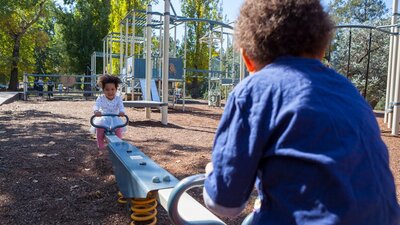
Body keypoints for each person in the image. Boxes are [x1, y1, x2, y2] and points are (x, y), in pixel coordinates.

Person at [203, 0, 400, 224]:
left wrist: (212, 173)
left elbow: (224, 203)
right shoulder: (349, 92)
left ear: (247, 57)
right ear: (322, 48)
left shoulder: (253, 91)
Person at [89, 75, 126, 150]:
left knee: (118, 130)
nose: (110, 92)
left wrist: (121, 112)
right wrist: (96, 111)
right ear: (103, 90)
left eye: (112, 89)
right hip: (104, 118)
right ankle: (101, 146)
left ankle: (118, 146)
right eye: (107, 89)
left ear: (116, 89)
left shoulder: (118, 98)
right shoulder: (101, 98)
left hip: (115, 119)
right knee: (99, 129)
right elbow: (96, 105)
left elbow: (121, 107)